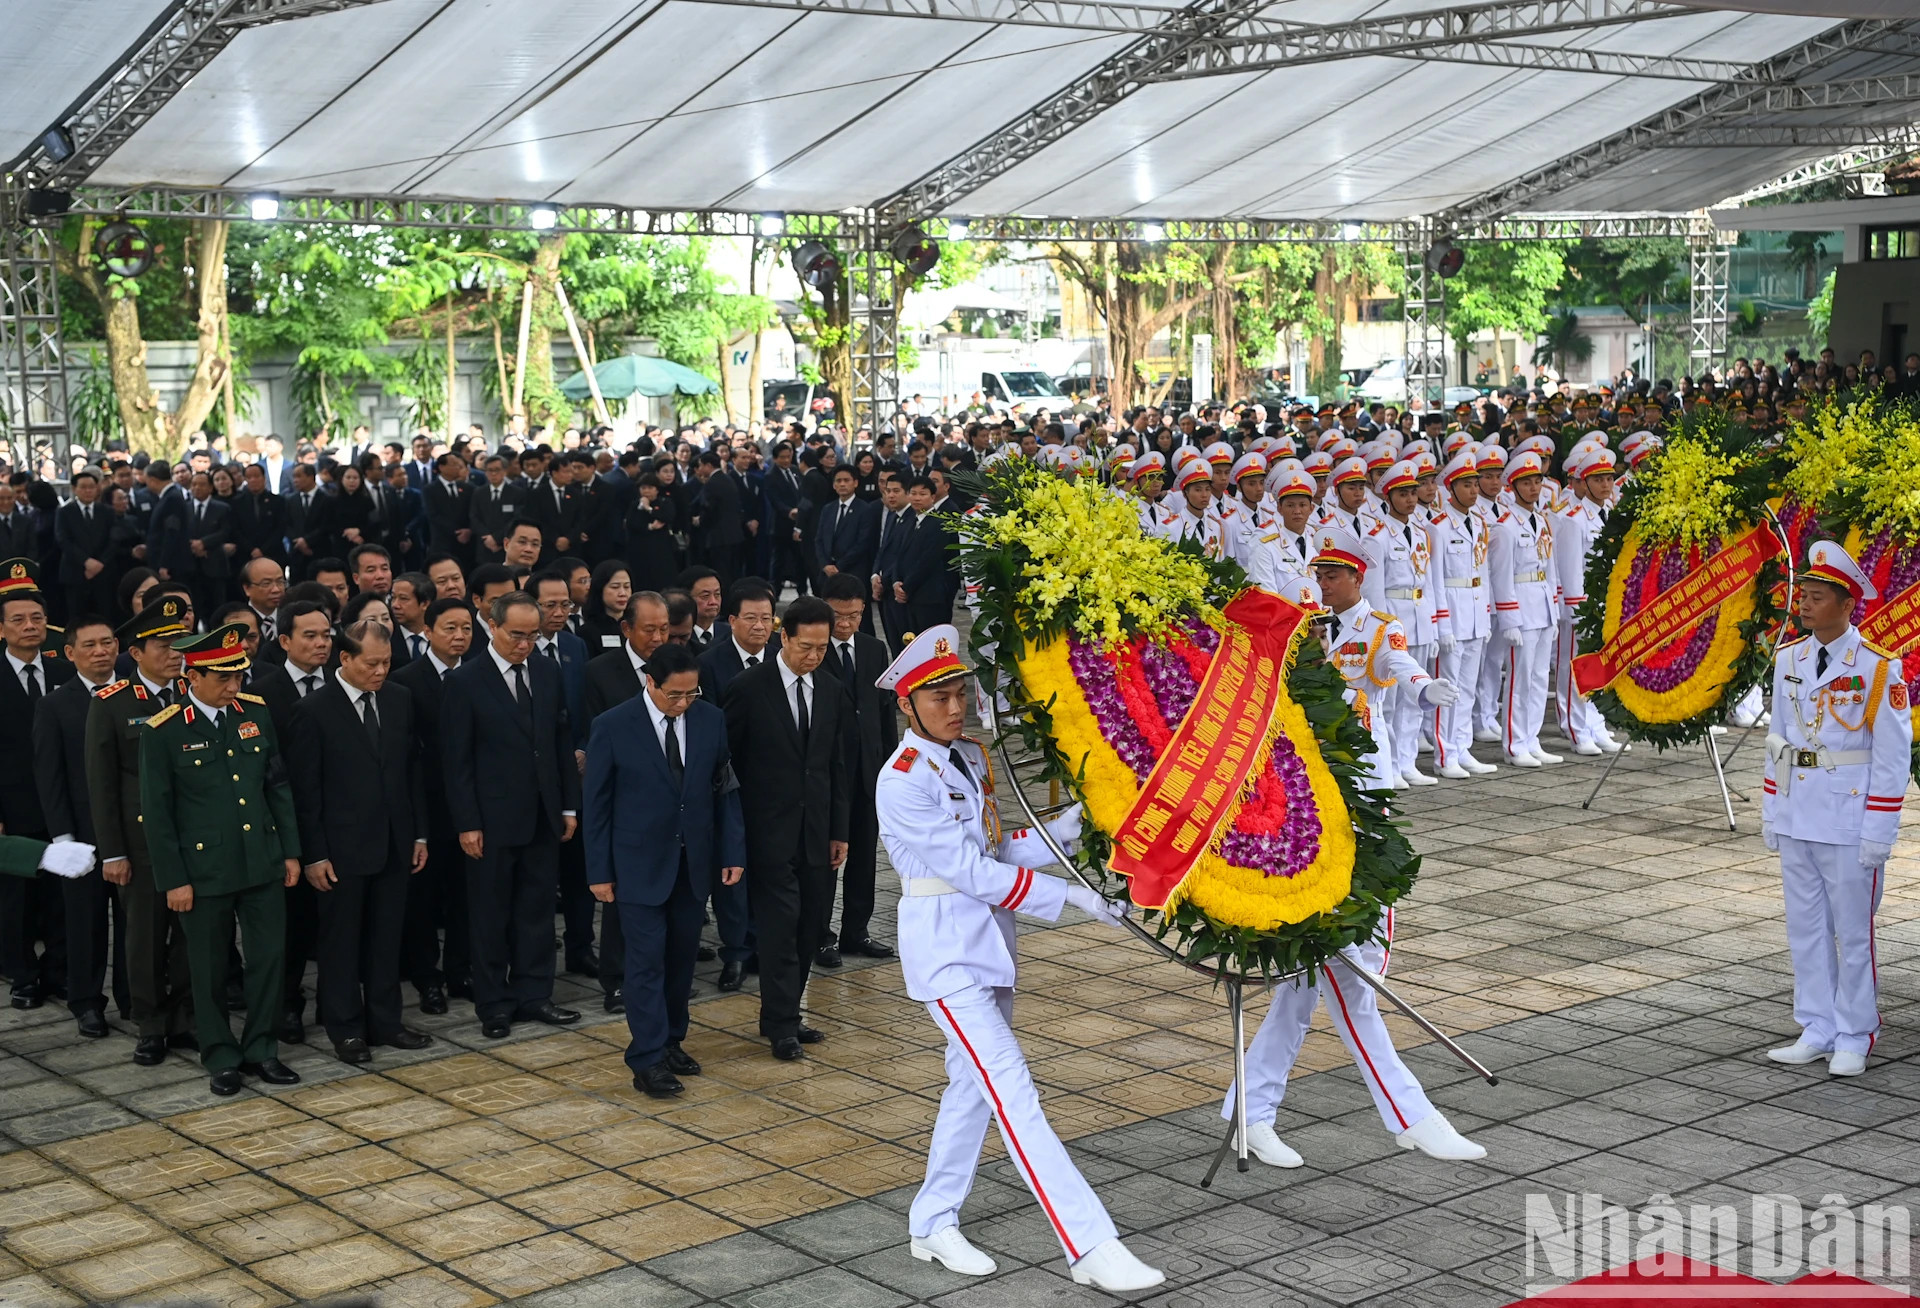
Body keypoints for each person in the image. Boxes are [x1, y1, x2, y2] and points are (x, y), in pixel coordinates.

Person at [873, 624, 1163, 1293]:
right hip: (945, 954)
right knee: (1013, 1092)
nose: (955, 706)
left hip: (988, 947)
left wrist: (1075, 827)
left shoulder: (966, 758)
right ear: (906, 706)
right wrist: (1075, 900)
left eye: (959, 692)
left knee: (971, 1090)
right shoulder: (904, 780)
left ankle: (932, 1221)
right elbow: (968, 873)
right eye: (938, 696)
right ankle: (1089, 1245)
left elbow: (998, 850)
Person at [1762, 541, 1911, 1078]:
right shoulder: (1789, 659)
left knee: (1853, 933)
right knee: (1804, 927)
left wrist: (1880, 830)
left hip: (1849, 821)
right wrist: (1771, 807)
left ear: (1847, 605)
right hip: (1799, 812)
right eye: (1802, 594)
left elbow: (1893, 757)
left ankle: (1856, 1030)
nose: (1804, 604)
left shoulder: (1876, 668)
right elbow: (1777, 739)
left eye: (1817, 596)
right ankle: (1817, 1024)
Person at [138, 622, 304, 1097]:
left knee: (269, 959)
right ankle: (220, 1054)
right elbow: (158, 813)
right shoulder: (165, 731)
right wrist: (174, 879)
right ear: (192, 677)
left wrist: (289, 851)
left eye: (239, 677)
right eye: (223, 679)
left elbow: (276, 787)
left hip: (261, 861)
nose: (234, 687)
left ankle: (262, 1049)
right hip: (203, 871)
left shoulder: (254, 714)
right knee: (207, 967)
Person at [585, 642, 745, 1097]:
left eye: (691, 694)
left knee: (680, 960)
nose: (683, 703)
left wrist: (731, 853)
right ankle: (647, 1058)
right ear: (649, 682)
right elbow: (596, 806)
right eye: (675, 695)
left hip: (692, 862)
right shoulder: (612, 726)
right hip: (636, 865)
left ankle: (673, 1039)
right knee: (644, 964)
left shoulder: (709, 719)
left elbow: (725, 790)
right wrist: (599, 870)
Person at [290, 619, 432, 1065]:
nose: (380, 672)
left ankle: (386, 1021)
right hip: (340, 850)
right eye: (371, 663)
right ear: (345, 658)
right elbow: (306, 791)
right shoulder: (313, 710)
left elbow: (411, 773)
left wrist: (418, 833)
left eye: (387, 662)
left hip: (394, 842)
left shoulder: (399, 699)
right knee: (341, 942)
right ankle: (346, 1026)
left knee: (387, 938)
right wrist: (314, 854)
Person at [442, 590, 581, 1038]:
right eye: (517, 635)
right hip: (491, 821)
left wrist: (567, 805)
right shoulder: (466, 681)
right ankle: (494, 1004)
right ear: (493, 628)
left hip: (542, 814)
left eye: (533, 636)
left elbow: (559, 742)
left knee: (537, 911)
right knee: (490, 916)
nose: (525, 645)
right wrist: (467, 823)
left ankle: (535, 994)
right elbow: (456, 761)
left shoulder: (546, 669)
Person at [722, 596, 848, 1058]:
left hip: (816, 831)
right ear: (784, 637)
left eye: (821, 648)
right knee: (779, 928)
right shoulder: (748, 687)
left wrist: (840, 830)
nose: (813, 656)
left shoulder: (831, 689)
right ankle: (782, 1025)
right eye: (805, 647)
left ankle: (786, 1012)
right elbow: (727, 764)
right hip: (767, 831)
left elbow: (836, 765)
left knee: (811, 927)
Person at [86, 594, 197, 1064]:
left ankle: (187, 1019)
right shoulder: (113, 704)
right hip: (142, 843)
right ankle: (150, 1025)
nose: (175, 652)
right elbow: (102, 785)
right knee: (145, 938)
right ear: (136, 652)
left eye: (181, 643)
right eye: (164, 644)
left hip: (195, 839)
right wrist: (112, 852)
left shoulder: (196, 693)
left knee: (194, 936)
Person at [35, 614, 126, 1038]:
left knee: (134, 923)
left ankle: (133, 997)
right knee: (85, 922)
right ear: (70, 653)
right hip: (82, 836)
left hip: (129, 832)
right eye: (89, 645)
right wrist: (63, 839)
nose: (101, 652)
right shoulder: (54, 705)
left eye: (107, 643)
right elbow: (49, 776)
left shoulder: (134, 693)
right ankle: (87, 1002)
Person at [391, 597, 473, 1014]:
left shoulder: (479, 675)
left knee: (466, 895)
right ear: (428, 632)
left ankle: (462, 971)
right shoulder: (405, 680)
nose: (459, 636)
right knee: (422, 899)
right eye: (449, 628)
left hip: (471, 808)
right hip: (426, 806)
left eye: (466, 628)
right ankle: (427, 978)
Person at [0, 560, 71, 1008]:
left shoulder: (64, 673)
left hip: (61, 805)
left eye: (37, 618)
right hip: (14, 806)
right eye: (19, 620)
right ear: (2, 628)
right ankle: (22, 973)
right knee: (16, 899)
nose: (30, 626)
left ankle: (60, 972)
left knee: (63, 894)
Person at [815, 573, 896, 966]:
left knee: (865, 858)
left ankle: (856, 931)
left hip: (868, 771)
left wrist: (891, 768)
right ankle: (820, 935)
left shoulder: (874, 649)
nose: (845, 624)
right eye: (837, 616)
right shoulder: (813, 652)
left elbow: (882, 713)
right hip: (831, 775)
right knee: (827, 858)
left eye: (854, 615)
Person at [1489, 452, 1561, 768]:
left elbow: (1551, 566)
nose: (1534, 489)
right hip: (1521, 604)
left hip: (1543, 603)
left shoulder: (1542, 520)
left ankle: (1532, 739)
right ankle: (1515, 743)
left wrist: (1555, 610)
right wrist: (1509, 619)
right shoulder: (1505, 526)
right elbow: (1500, 575)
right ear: (1513, 486)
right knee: (1519, 679)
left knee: (1538, 677)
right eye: (1527, 483)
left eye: (1537, 482)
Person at [1430, 451, 1498, 779]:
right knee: (1448, 686)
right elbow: (1437, 579)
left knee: (1467, 686)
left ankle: (1462, 746)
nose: (1473, 490)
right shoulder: (1439, 527)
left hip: (1474, 612)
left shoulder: (1480, 523)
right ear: (1451, 487)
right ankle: (1445, 754)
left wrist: (1485, 615)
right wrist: (1442, 624)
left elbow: (1482, 572)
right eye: (1466, 485)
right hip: (1453, 613)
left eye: (1475, 484)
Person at [56, 468, 117, 623]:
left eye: (91, 487)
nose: (88, 491)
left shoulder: (107, 511)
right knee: (77, 618)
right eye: (83, 487)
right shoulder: (64, 512)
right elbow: (63, 540)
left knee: (104, 616)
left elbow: (114, 539)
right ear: (74, 489)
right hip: (75, 572)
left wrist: (100, 563)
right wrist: (86, 561)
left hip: (103, 573)